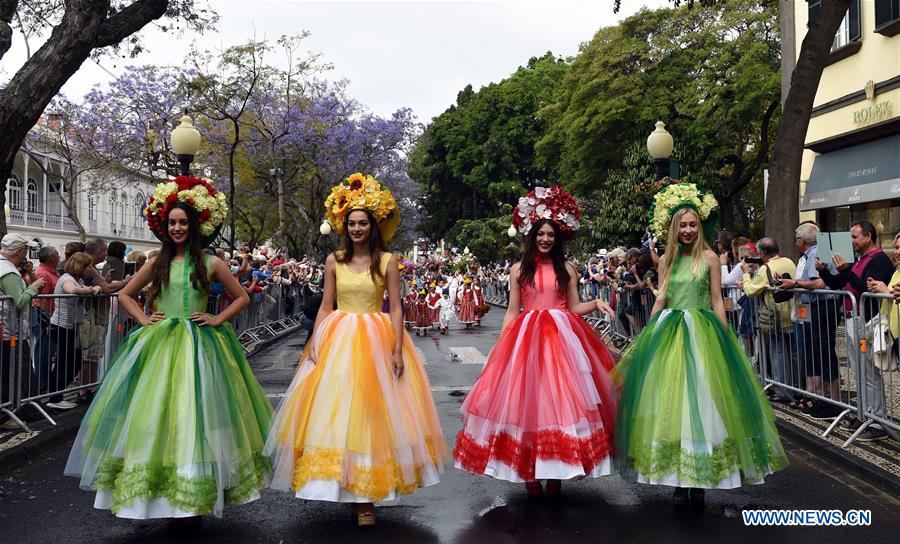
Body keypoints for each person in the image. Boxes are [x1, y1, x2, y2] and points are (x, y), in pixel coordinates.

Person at [65, 176, 273, 523]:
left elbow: (242, 297)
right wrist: (146, 321)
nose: (177, 228)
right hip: (161, 344)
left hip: (202, 347)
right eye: (172, 222)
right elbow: (125, 294)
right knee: (156, 415)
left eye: (183, 223)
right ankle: (160, 496)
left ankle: (192, 493)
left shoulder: (210, 263)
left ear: (194, 226)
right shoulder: (155, 262)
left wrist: (217, 317)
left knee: (197, 414)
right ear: (165, 226)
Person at [265, 173, 447, 527]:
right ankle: (341, 484)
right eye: (351, 223)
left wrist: (396, 350)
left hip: (376, 340)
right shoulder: (334, 260)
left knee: (372, 416)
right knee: (336, 414)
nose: (357, 229)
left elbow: (395, 307)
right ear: (343, 227)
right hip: (339, 337)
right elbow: (325, 305)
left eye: (363, 223)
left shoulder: (387, 261)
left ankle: (366, 498)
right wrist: (316, 341)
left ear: (373, 226)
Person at [615, 182, 787, 509]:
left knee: (706, 403)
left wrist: (724, 336)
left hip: (702, 332)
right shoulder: (666, 259)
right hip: (670, 333)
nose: (689, 230)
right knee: (671, 406)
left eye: (693, 224)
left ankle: (700, 479)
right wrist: (648, 332)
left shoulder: (710, 258)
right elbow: (662, 298)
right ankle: (680, 479)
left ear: (700, 226)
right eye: (683, 225)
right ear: (674, 228)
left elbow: (718, 300)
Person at [454, 186, 618, 497]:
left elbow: (572, 306)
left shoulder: (566, 269)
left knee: (558, 405)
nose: (545, 239)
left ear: (557, 239)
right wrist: (501, 348)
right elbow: (513, 311)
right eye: (540, 234)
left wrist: (595, 304)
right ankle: (530, 473)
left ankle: (554, 473)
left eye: (550, 235)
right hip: (526, 339)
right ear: (532, 235)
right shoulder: (518, 270)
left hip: (561, 341)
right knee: (527, 405)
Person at [818, 221, 894, 441]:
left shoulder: (878, 260)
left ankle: (877, 421)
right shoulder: (859, 260)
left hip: (867, 320)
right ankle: (864, 414)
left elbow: (863, 288)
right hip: (853, 319)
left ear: (868, 237)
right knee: (859, 372)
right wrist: (825, 271)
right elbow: (838, 283)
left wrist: (847, 270)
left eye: (854, 237)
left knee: (870, 372)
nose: (851, 242)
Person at [742, 238, 798, 405]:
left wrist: (746, 274)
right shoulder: (789, 261)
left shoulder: (766, 268)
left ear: (763, 253)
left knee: (778, 353)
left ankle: (782, 391)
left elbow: (751, 290)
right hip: (793, 312)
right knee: (794, 353)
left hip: (776, 317)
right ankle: (797, 387)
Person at [0, 234, 46, 430]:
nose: (27, 253)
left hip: (8, 330)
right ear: (18, 251)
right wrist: (34, 287)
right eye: (25, 249)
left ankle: (11, 410)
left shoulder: (8, 268)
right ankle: (5, 416)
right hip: (9, 332)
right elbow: (17, 300)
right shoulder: (8, 272)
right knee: (7, 376)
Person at [46, 253, 102, 411]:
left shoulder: (79, 279)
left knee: (72, 362)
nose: (90, 269)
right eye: (88, 266)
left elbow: (87, 288)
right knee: (65, 363)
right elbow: (71, 289)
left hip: (71, 327)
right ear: (80, 266)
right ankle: (55, 398)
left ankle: (57, 396)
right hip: (62, 327)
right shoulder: (67, 278)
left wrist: (94, 288)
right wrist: (89, 290)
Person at [32, 246, 60, 399]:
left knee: (47, 350)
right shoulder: (43, 273)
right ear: (51, 258)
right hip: (45, 317)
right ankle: (42, 385)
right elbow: (41, 300)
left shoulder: (50, 272)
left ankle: (44, 383)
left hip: (48, 316)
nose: (59, 255)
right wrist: (46, 323)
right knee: (44, 351)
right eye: (57, 254)